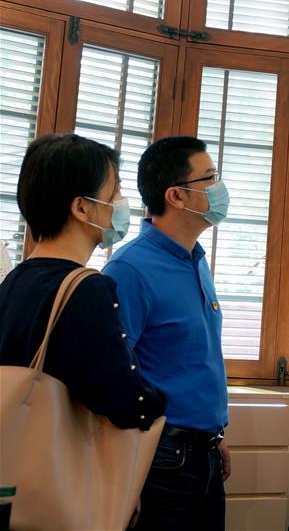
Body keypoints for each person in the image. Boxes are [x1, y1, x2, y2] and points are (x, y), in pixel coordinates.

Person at [104, 136, 231, 531]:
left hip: (205, 450)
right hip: (161, 456)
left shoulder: (196, 260)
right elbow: (113, 378)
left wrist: (215, 436)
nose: (219, 188)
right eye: (209, 178)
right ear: (176, 196)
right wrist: (125, 473)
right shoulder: (129, 269)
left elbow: (193, 361)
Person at [0, 133, 165, 429]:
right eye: (115, 192)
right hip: (54, 452)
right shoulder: (86, 288)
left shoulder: (15, 279)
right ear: (81, 208)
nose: (122, 203)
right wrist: (158, 402)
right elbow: (124, 401)